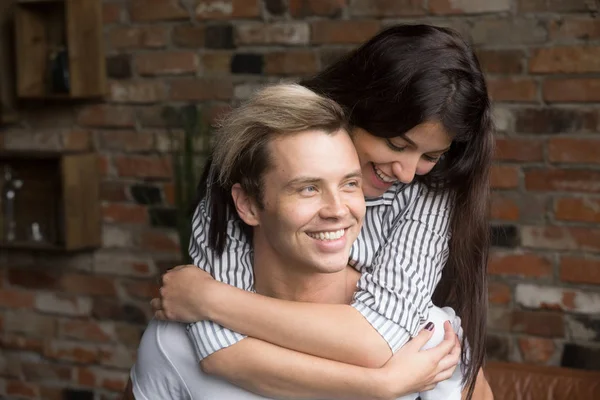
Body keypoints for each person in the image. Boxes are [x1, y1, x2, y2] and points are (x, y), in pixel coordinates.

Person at [153, 24, 494, 399]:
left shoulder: (430, 194)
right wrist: (380, 383)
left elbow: (378, 339)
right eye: (396, 144)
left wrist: (209, 299)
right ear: (354, 108)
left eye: (431, 156)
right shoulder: (252, 180)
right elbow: (221, 353)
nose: (407, 173)